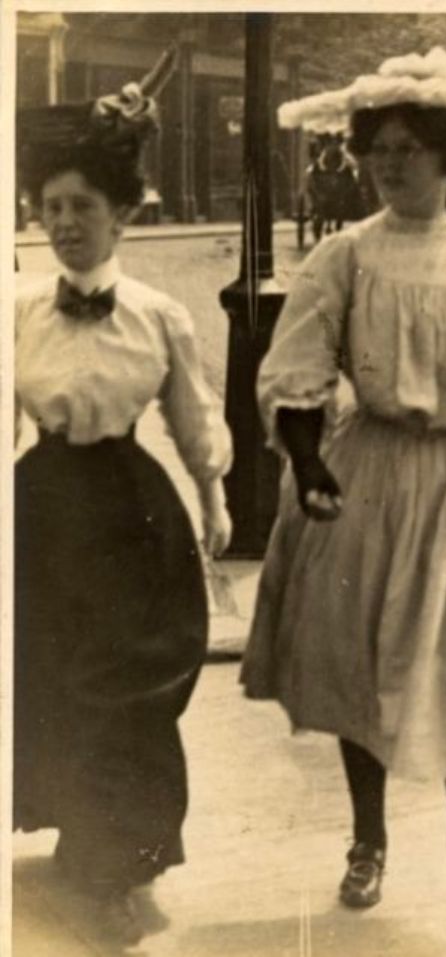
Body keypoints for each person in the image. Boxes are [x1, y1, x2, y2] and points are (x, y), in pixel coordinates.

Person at [240, 48, 446, 956]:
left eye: (408, 149)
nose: (389, 164)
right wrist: (308, 459)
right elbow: (297, 363)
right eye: (376, 148)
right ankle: (368, 838)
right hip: (371, 474)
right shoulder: (348, 255)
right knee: (366, 662)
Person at [14, 68, 232, 945]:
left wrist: (213, 496)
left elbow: (193, 414)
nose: (64, 223)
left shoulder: (157, 313)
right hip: (41, 512)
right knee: (51, 680)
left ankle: (117, 861)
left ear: (123, 214)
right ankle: (80, 839)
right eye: (50, 207)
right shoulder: (18, 310)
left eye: (82, 207)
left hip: (132, 516)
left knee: (129, 691)